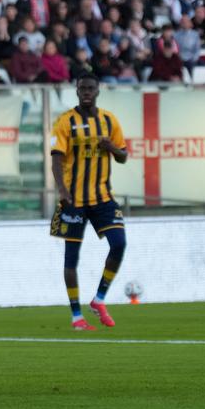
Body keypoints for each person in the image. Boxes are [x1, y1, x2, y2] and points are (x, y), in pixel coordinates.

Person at [50, 74, 128, 331]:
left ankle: (99, 299)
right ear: (76, 90)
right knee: (71, 258)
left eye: (90, 88)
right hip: (73, 199)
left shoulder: (109, 120)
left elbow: (123, 156)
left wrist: (111, 147)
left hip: (103, 197)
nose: (86, 92)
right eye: (82, 88)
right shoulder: (65, 121)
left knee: (119, 244)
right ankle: (76, 316)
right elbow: (56, 158)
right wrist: (62, 190)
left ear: (97, 91)